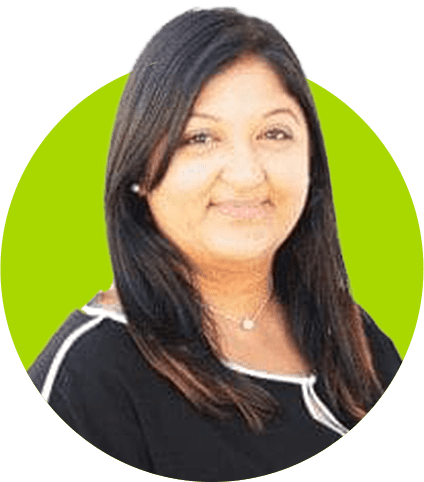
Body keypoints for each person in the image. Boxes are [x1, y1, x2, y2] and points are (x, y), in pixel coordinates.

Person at [28, 6, 401, 480]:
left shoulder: (353, 335)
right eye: (201, 137)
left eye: (274, 133)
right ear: (141, 169)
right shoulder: (89, 378)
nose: (246, 174)